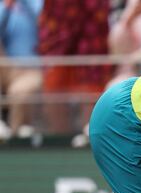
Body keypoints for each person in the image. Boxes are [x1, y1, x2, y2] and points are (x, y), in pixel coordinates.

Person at [38, 0, 112, 134]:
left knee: (92, 103)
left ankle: (89, 141)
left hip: (91, 50)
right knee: (55, 96)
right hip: (59, 50)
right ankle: (59, 144)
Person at [0, 0, 43, 138]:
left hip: (32, 69)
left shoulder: (37, 4)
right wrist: (6, 8)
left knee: (19, 91)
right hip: (7, 68)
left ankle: (12, 137)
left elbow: (42, 20)